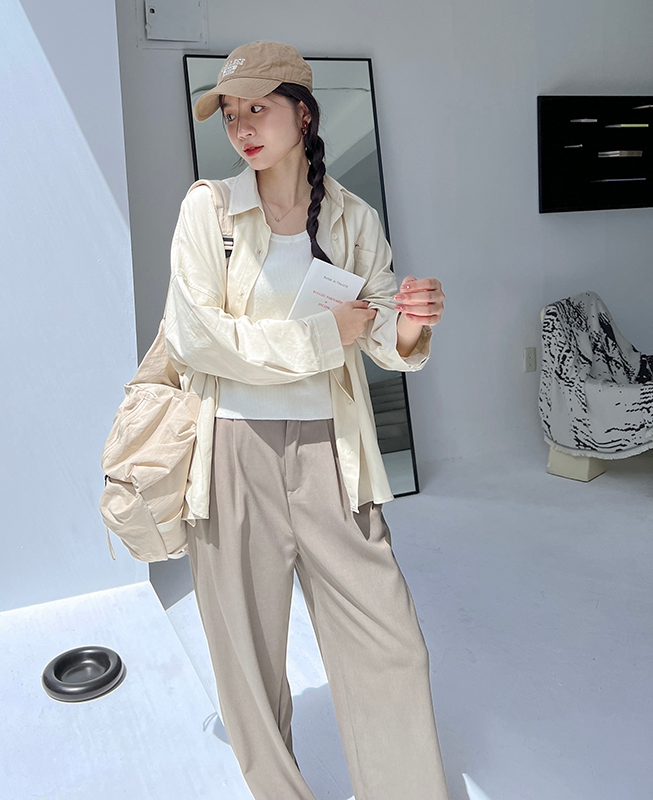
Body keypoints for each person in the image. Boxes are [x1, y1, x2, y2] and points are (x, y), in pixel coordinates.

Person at [163, 40, 450, 800]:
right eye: (231, 114)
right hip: (232, 454)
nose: (242, 128)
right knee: (249, 665)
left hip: (333, 453)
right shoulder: (210, 210)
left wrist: (411, 323)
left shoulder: (353, 217)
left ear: (304, 113)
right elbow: (198, 339)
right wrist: (326, 337)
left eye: (258, 108)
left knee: (390, 644)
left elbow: (380, 334)